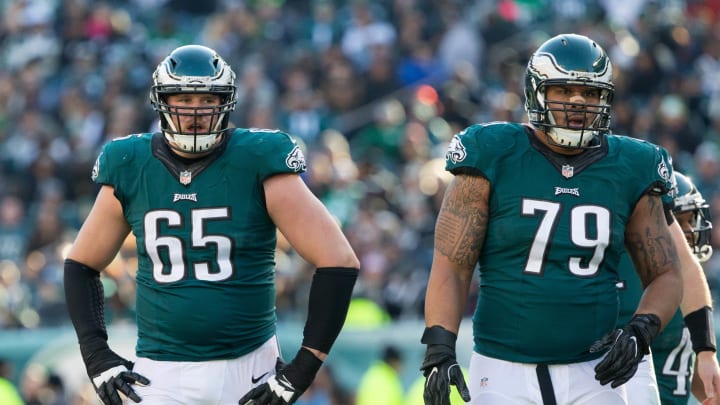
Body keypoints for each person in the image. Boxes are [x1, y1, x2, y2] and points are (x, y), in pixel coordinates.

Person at [63, 44, 360, 405]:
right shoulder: (130, 162)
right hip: (159, 372)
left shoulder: (258, 158)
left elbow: (338, 261)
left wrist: (303, 369)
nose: (195, 112)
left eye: (207, 98)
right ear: (161, 102)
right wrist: (96, 355)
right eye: (183, 99)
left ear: (227, 102)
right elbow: (81, 265)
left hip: (248, 368)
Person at [420, 33, 686, 405]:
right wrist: (439, 347)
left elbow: (667, 273)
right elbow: (453, 264)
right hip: (501, 368)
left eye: (591, 93)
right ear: (536, 93)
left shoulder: (632, 165)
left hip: (597, 368)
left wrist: (642, 327)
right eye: (563, 90)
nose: (578, 102)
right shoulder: (494, 152)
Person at [619, 170, 720, 404]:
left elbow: (683, 366)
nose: (688, 232)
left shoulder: (694, 291)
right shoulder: (640, 284)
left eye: (690, 220)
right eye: (678, 221)